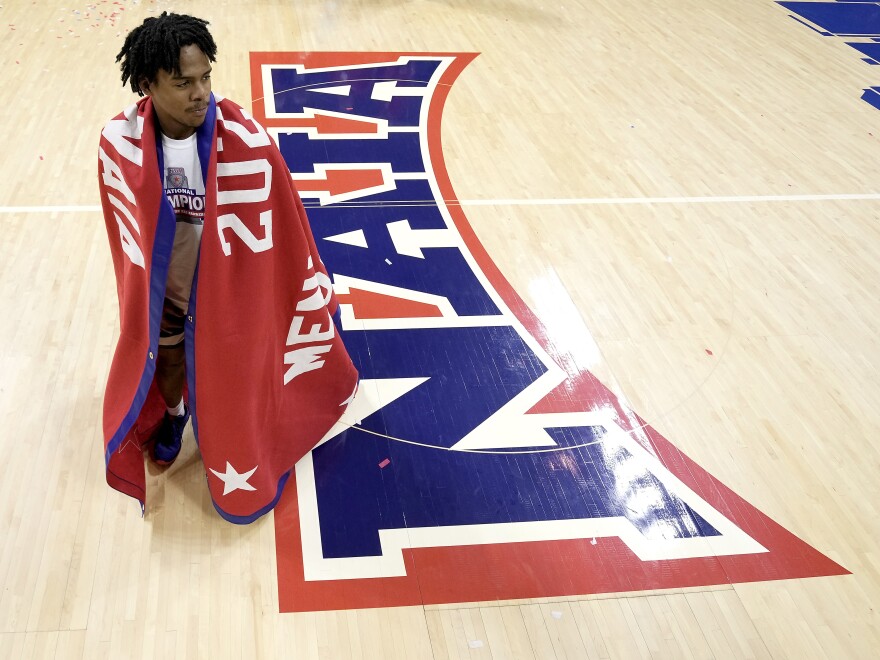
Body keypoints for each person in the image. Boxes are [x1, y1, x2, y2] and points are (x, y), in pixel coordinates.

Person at [99, 13, 358, 523]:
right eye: (183, 83)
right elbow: (125, 235)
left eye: (205, 78)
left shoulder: (248, 141)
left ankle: (237, 437)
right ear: (149, 84)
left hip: (228, 293)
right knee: (170, 361)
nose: (200, 93)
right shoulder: (119, 143)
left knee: (233, 373)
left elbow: (287, 223)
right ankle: (175, 416)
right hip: (168, 290)